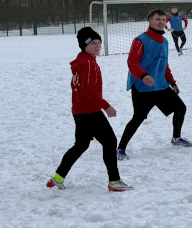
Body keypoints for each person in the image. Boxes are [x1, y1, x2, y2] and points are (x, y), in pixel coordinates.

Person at [47, 27, 132, 192]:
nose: (97, 46)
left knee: (81, 144)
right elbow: (88, 90)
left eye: (99, 42)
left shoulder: (83, 61)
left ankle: (58, 177)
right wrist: (105, 105)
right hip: (90, 111)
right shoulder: (87, 63)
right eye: (92, 43)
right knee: (110, 141)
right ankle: (114, 181)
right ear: (84, 45)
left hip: (79, 111)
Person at [117, 9, 192, 158]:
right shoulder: (140, 40)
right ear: (150, 21)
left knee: (180, 108)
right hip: (142, 87)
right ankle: (120, 149)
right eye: (157, 19)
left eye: (162, 19)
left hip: (160, 86)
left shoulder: (164, 41)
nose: (161, 22)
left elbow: (164, 65)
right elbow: (132, 62)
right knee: (138, 118)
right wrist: (143, 75)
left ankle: (176, 138)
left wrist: (172, 82)